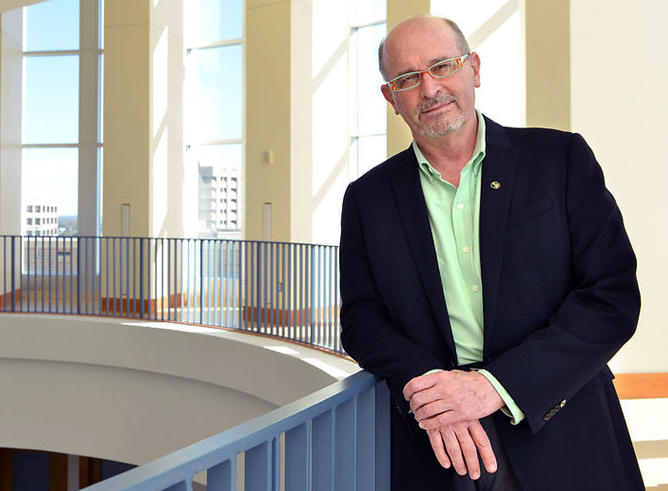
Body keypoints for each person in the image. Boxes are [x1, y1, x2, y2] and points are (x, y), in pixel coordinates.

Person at [339, 15, 645, 491]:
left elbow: (611, 297)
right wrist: (436, 393)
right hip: (440, 447)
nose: (430, 88)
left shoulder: (560, 159)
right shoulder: (367, 198)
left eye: (443, 66)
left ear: (474, 69)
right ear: (391, 99)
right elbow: (362, 320)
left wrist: (492, 387)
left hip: (564, 429)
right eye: (407, 79)